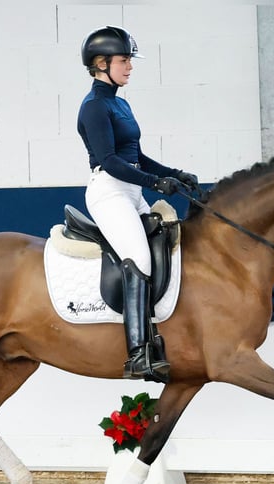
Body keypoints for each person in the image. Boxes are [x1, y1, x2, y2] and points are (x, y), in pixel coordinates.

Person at [77, 25, 199, 383]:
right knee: (140, 258)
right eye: (124, 60)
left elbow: (137, 156)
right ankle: (138, 353)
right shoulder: (94, 107)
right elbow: (111, 161)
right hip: (109, 191)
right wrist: (155, 183)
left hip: (130, 190)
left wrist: (174, 173)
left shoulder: (119, 102)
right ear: (102, 63)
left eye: (130, 60)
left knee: (169, 247)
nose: (130, 66)